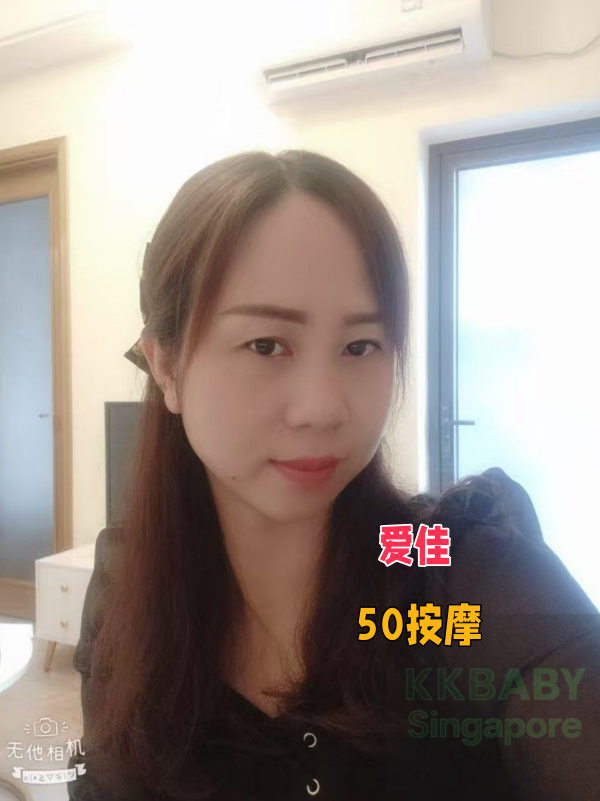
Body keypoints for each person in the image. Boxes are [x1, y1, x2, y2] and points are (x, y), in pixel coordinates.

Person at [67, 149, 600, 801]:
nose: (322, 408)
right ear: (167, 367)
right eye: (266, 344)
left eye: (360, 346)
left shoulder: (461, 572)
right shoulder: (128, 582)